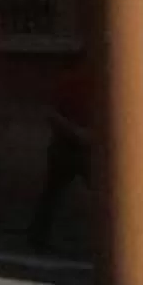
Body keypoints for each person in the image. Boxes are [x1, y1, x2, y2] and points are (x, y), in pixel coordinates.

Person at [28, 58, 95, 251]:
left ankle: (39, 236)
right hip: (68, 146)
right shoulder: (69, 83)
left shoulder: (87, 84)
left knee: (53, 194)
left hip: (78, 145)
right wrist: (76, 131)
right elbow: (51, 113)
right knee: (53, 193)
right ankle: (38, 236)